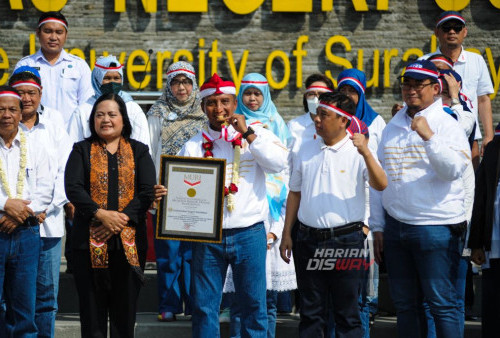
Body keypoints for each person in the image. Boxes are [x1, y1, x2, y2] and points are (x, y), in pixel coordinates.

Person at [178, 73, 288, 337]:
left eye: (225, 101)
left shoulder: (257, 134)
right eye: (212, 103)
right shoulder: (193, 145)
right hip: (207, 237)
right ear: (203, 107)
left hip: (249, 233)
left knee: (253, 305)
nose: (219, 109)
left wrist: (248, 133)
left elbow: (278, 163)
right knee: (205, 308)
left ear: (234, 102)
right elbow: (183, 190)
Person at [370, 60, 470, 338]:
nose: (410, 89)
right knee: (405, 306)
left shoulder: (447, 124)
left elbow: (453, 171)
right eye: (406, 83)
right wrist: (378, 226)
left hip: (435, 229)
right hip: (396, 228)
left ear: (436, 88)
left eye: (418, 84)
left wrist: (429, 137)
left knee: (442, 305)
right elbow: (380, 178)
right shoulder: (393, 125)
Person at [280, 91, 387, 337]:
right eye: (317, 114)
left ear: (343, 121)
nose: (317, 119)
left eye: (324, 115)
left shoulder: (358, 150)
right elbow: (294, 193)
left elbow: (381, 185)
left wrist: (367, 153)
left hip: (346, 241)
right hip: (307, 239)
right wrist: (287, 232)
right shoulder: (304, 148)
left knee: (347, 314)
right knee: (310, 313)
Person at [64, 93, 155, 337]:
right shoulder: (81, 150)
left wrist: (119, 219)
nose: (106, 119)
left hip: (130, 245)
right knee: (92, 315)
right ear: (92, 120)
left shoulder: (139, 151)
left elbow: (147, 191)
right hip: (87, 244)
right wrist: (100, 214)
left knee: (124, 317)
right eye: (100, 115)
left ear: (123, 119)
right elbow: (73, 188)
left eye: (112, 114)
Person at [223, 73, 297, 337]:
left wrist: (278, 227)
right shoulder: (228, 126)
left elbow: (285, 174)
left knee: (267, 299)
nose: (252, 99)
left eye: (257, 94)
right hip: (242, 214)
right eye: (247, 93)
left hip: (272, 214)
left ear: (265, 96)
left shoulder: (278, 126)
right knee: (240, 300)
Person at [8, 66, 72, 338]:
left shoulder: (55, 122)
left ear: (40, 94)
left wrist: (40, 209)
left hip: (48, 225)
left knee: (45, 299)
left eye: (31, 93)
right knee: (9, 297)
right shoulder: (5, 122)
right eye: (20, 93)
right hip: (9, 226)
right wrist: (18, 213)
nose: (26, 99)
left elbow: (65, 171)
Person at [147, 61, 207, 321]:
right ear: (168, 85)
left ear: (193, 84)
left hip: (197, 194)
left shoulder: (204, 112)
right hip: (165, 193)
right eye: (176, 82)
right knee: (169, 255)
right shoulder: (158, 112)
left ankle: (195, 306)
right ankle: (169, 305)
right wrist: (151, 188)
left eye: (186, 82)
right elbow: (148, 151)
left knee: (194, 255)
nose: (181, 88)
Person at [337, 68, 387, 337]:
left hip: (368, 213)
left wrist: (373, 221)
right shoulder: (333, 122)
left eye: (352, 91)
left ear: (362, 94)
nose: (347, 96)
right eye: (342, 90)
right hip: (340, 215)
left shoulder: (377, 123)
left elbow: (380, 173)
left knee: (366, 291)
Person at [0, 86, 52, 337]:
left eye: (12, 109)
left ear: (22, 114)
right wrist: (3, 205)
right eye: (1, 109)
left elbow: (46, 187)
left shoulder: (36, 145)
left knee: (24, 308)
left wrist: (17, 213)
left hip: (27, 233)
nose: (6, 115)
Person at [422, 11, 494, 165]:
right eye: (446, 27)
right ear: (437, 32)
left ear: (465, 32)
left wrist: (489, 135)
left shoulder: (476, 60)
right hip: (432, 133)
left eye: (457, 27)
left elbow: (483, 99)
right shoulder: (425, 62)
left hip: (469, 135)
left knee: (470, 185)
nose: (452, 31)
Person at [15, 11, 93, 127]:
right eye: (48, 31)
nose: (53, 37)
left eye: (59, 32)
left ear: (66, 35)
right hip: (34, 133)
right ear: (38, 33)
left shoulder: (79, 66)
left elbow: (87, 106)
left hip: (71, 136)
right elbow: (16, 103)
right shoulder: (26, 65)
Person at [67, 55, 150, 149]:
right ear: (97, 80)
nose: (112, 82)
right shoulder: (82, 111)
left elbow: (143, 145)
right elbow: (72, 147)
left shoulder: (132, 109)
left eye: (116, 78)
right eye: (107, 78)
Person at [469, 123, 500, 338]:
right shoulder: (494, 148)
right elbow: (481, 197)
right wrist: (476, 243)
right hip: (495, 247)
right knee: (494, 309)